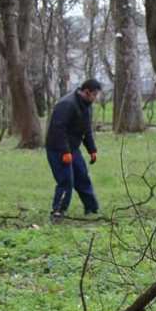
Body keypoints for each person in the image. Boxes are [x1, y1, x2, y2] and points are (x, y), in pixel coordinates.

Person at [45, 79, 102, 219]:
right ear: (87, 92)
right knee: (66, 181)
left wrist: (92, 149)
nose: (96, 98)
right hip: (57, 148)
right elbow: (58, 130)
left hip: (73, 148)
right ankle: (58, 211)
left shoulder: (86, 106)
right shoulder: (67, 104)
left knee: (82, 176)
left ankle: (92, 209)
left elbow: (86, 129)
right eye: (94, 94)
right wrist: (64, 152)